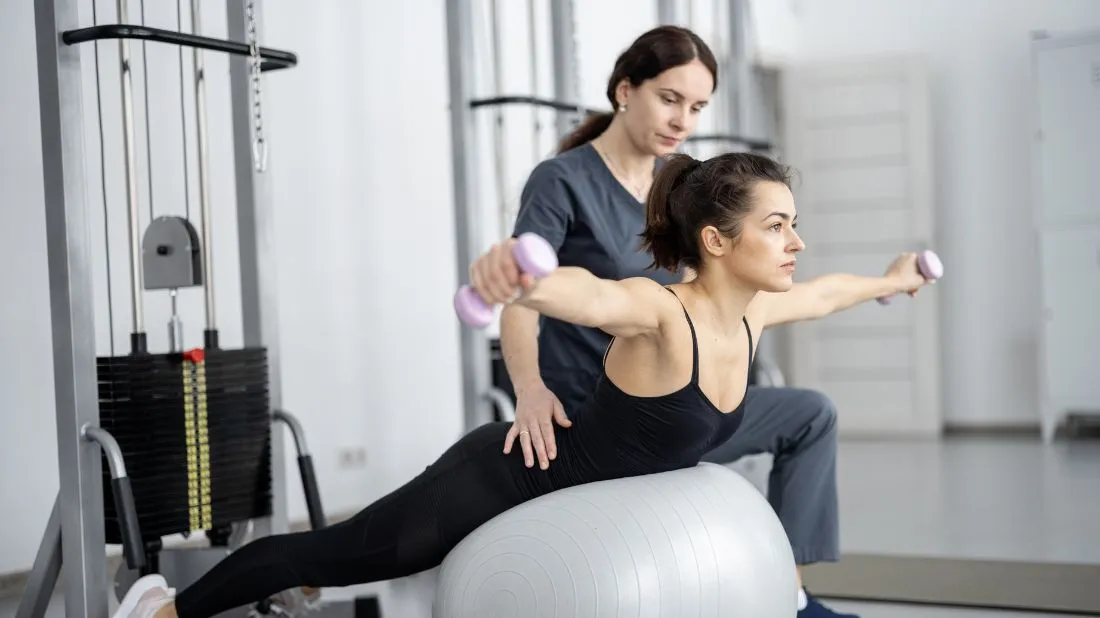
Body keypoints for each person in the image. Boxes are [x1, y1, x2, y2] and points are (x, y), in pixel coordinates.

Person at [112, 146, 933, 618]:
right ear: (717, 241)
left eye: (795, 223)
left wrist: (892, 281)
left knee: (336, 559)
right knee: (335, 555)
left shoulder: (753, 314)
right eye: (778, 225)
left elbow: (827, 294)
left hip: (583, 513)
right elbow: (585, 293)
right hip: (504, 479)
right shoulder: (657, 309)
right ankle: (163, 611)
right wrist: (515, 281)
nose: (796, 242)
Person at [497, 25, 898, 618]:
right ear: (624, 90)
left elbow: (803, 293)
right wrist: (528, 391)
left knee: (810, 413)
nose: (683, 119)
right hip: (601, 405)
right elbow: (521, 290)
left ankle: (790, 596)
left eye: (697, 106)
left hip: (684, 397)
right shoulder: (563, 181)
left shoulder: (677, 187)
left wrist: (895, 282)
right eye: (669, 98)